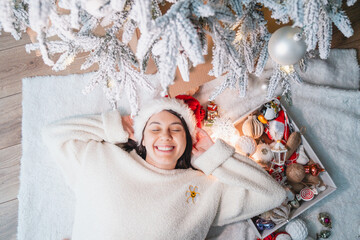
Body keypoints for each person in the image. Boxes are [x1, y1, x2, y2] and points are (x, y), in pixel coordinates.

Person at [42, 97, 286, 240]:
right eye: (155, 128)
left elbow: (273, 194)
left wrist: (214, 156)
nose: (166, 135)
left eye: (176, 129)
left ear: (188, 142)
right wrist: (115, 126)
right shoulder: (104, 156)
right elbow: (54, 134)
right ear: (142, 139)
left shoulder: (204, 188)